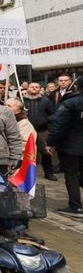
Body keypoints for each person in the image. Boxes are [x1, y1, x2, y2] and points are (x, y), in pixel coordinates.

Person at [47, 76, 83, 217]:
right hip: (72, 144)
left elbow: (58, 125)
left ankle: (76, 206)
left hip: (71, 146)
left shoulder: (70, 103)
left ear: (77, 87)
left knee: (71, 175)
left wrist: (51, 143)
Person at [24, 82, 57, 180]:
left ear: (40, 89)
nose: (34, 88)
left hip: (42, 131)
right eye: (32, 87)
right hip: (26, 131)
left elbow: (53, 114)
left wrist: (46, 121)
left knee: (46, 153)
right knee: (26, 153)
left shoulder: (46, 101)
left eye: (36, 87)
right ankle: (25, 175)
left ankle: (48, 173)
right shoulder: (21, 100)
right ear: (28, 88)